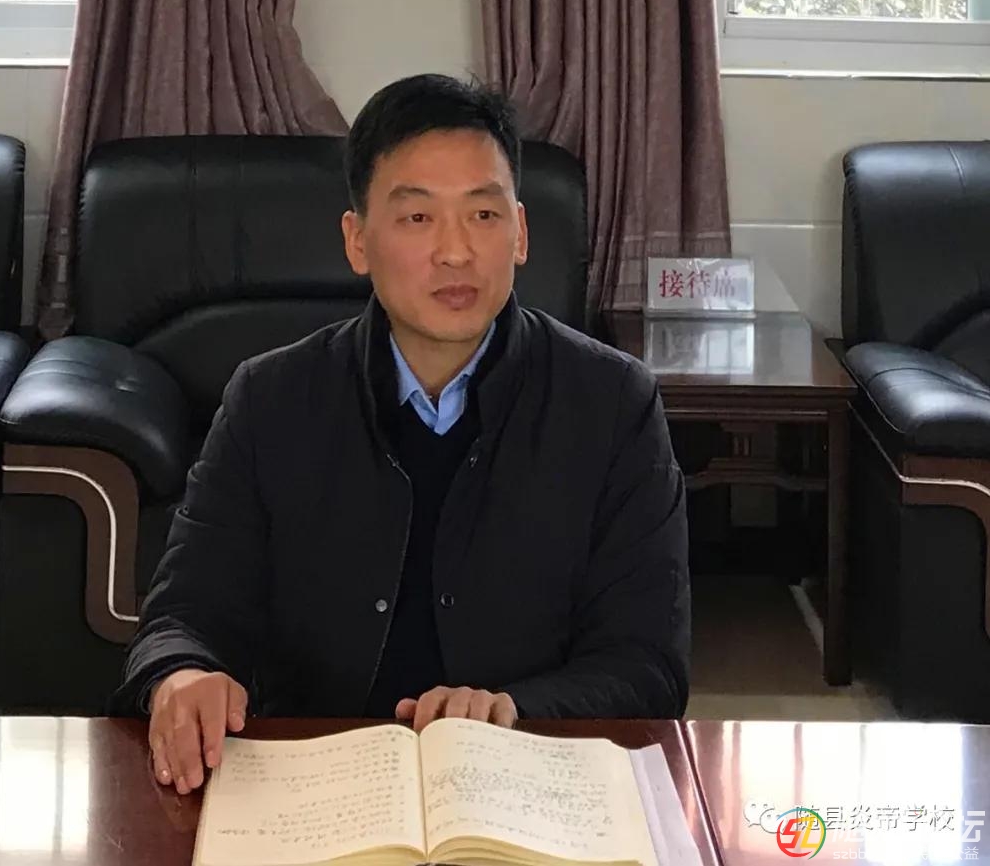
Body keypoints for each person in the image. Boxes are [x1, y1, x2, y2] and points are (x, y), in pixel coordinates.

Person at [116, 73, 689, 795]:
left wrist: (513, 709)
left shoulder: (612, 403)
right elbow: (184, 615)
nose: (456, 251)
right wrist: (181, 674)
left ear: (520, 232)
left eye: (483, 214)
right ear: (357, 241)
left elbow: (648, 665)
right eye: (418, 217)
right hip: (313, 783)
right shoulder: (270, 398)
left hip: (522, 786)